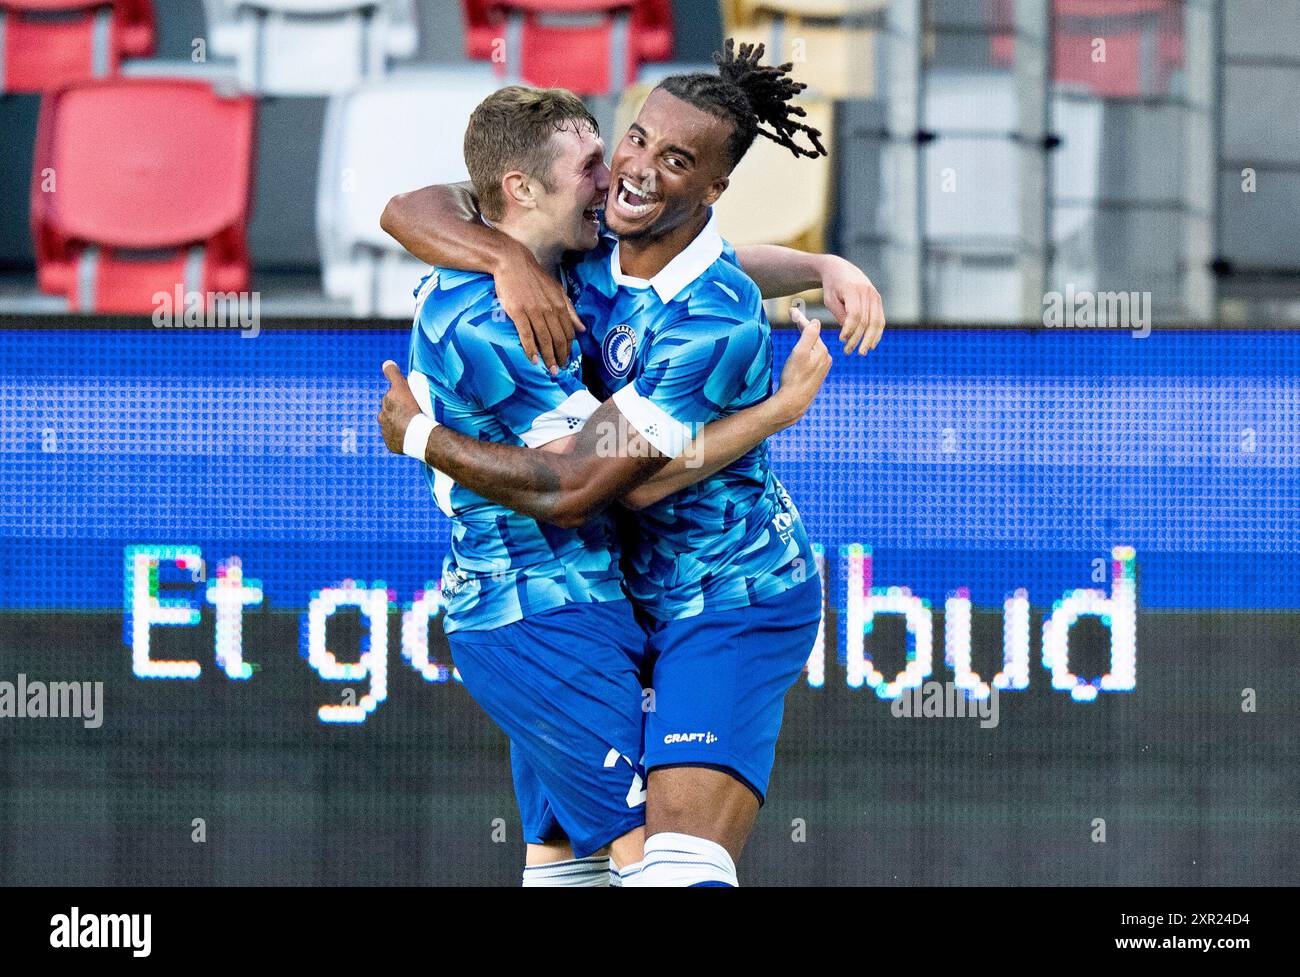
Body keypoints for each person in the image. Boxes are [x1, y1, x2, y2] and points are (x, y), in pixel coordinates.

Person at [399, 80, 842, 886]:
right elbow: (409, 208)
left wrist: (424, 437)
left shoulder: (714, 319)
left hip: (723, 595)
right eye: (633, 140)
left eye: (675, 160)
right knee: (574, 863)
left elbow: (601, 484)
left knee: (664, 863)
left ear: (713, 189)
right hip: (607, 595)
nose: (632, 171)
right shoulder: (584, 237)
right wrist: (502, 254)